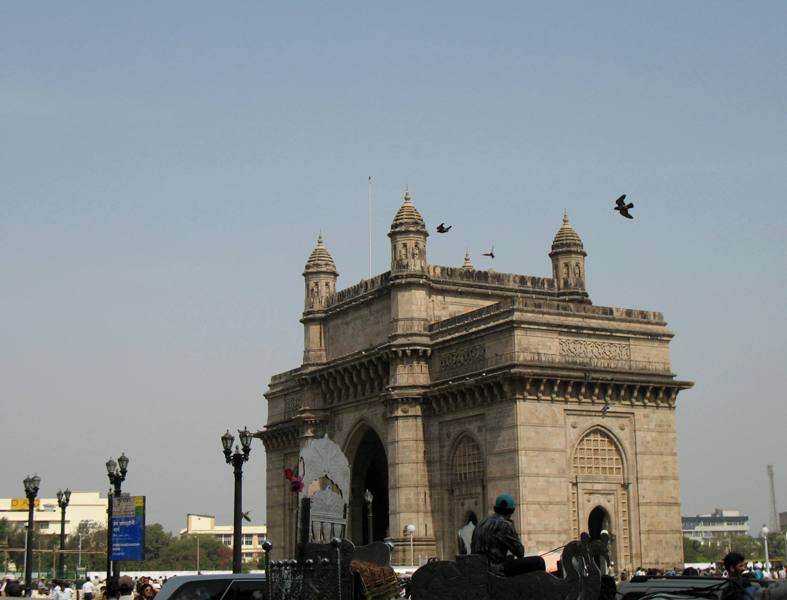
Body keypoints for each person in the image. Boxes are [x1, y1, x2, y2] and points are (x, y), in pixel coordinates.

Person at [470, 494, 544, 576]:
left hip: (477, 568)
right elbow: (520, 552)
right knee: (539, 561)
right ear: (511, 511)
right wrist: (512, 527)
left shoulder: (481, 522)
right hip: (495, 570)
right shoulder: (504, 525)